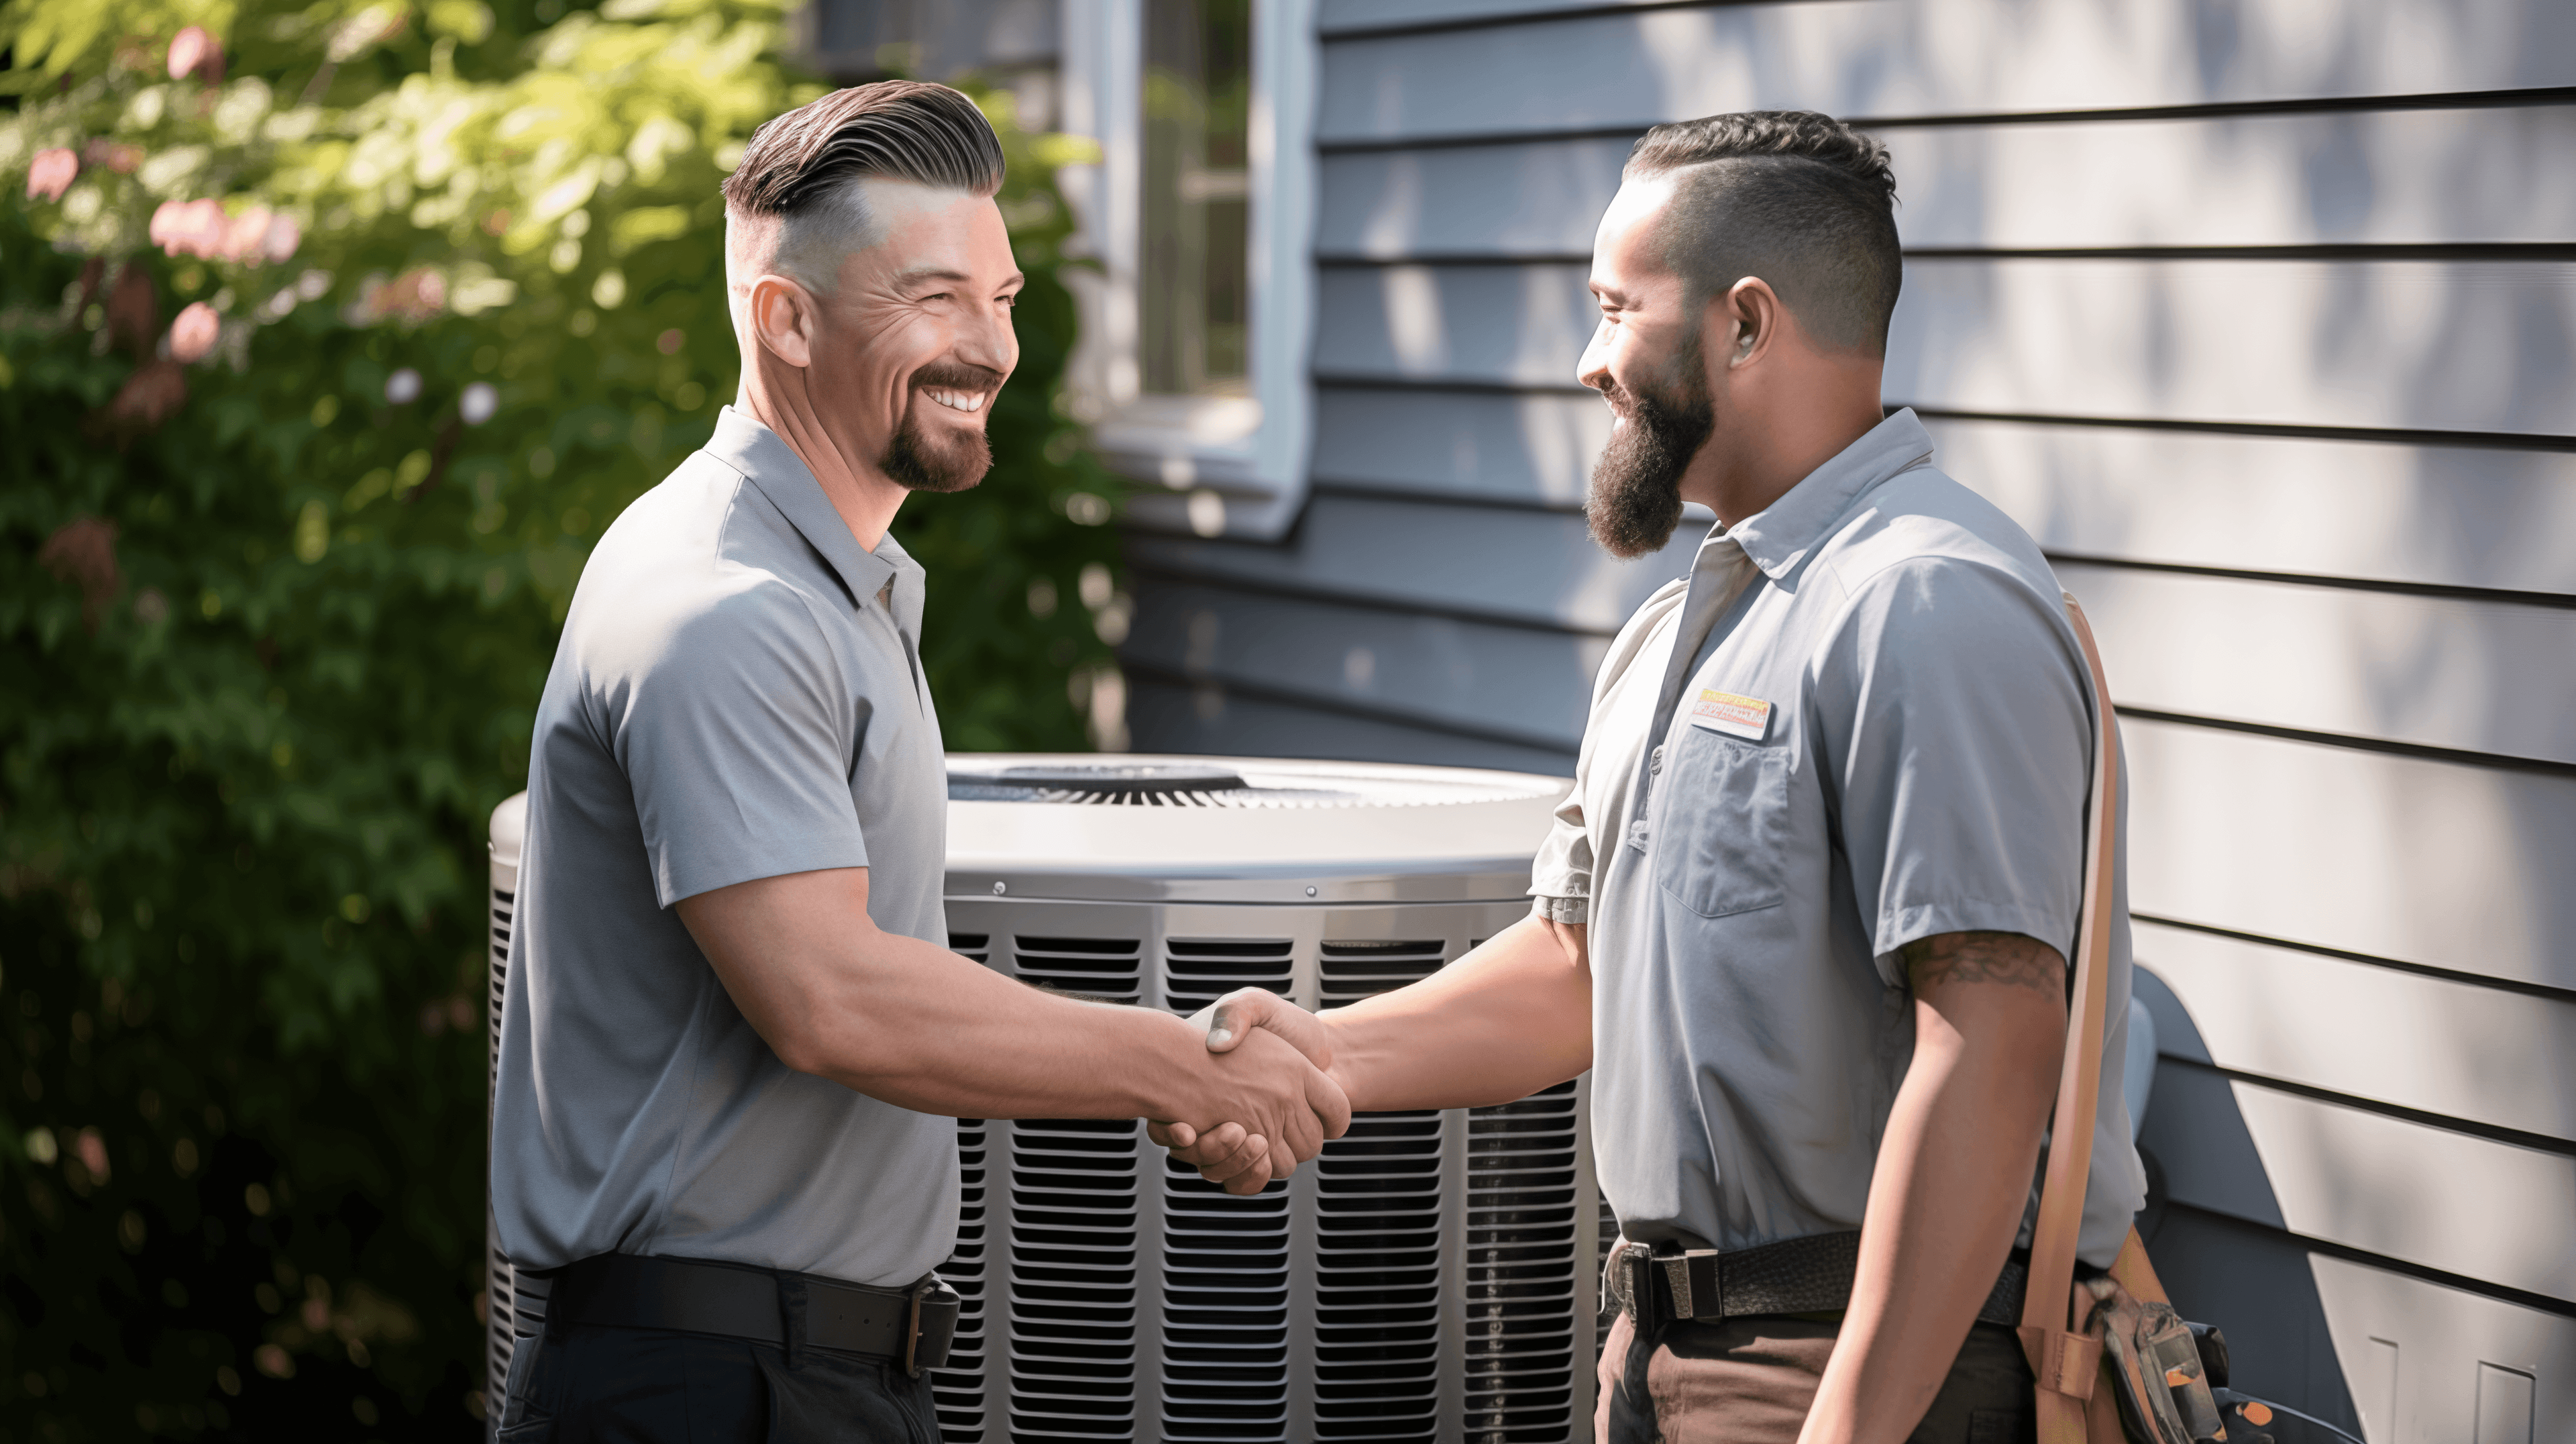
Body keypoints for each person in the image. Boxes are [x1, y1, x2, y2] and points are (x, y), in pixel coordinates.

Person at [1158, 111, 2147, 1444]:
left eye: (1616, 308)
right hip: (1662, 1356)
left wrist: (1847, 1423)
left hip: (1857, 1365)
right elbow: (1577, 965)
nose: (1587, 362)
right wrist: (1321, 1057)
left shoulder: (1924, 598)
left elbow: (1993, 1040)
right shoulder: (1684, 627)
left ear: (1745, 324)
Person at [486, 81, 1346, 1443]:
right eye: (937, 298)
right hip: (706, 1386)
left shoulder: (836, 590)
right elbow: (832, 996)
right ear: (784, 317)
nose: (991, 345)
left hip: (795, 1372)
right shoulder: (723, 603)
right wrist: (1181, 1065)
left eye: (1001, 297)